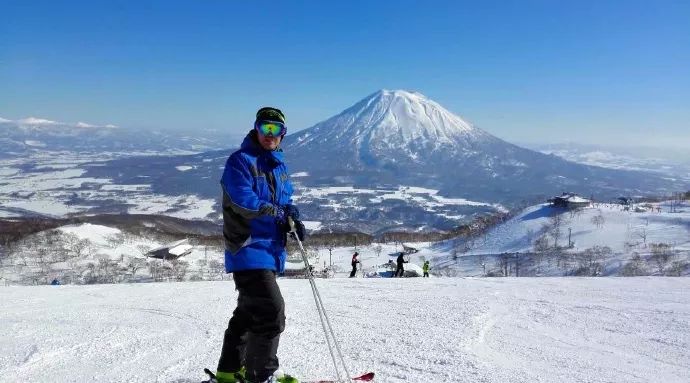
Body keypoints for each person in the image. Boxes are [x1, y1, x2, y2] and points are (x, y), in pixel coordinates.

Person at [208, 107, 305, 383]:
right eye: (265, 128)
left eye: (276, 130)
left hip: (270, 249)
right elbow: (242, 200)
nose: (270, 135)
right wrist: (274, 212)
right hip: (248, 247)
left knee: (248, 312)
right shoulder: (240, 161)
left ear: (283, 134)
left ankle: (228, 371)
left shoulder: (278, 164)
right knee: (271, 311)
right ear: (256, 128)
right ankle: (261, 375)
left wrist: (292, 214)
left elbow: (284, 198)